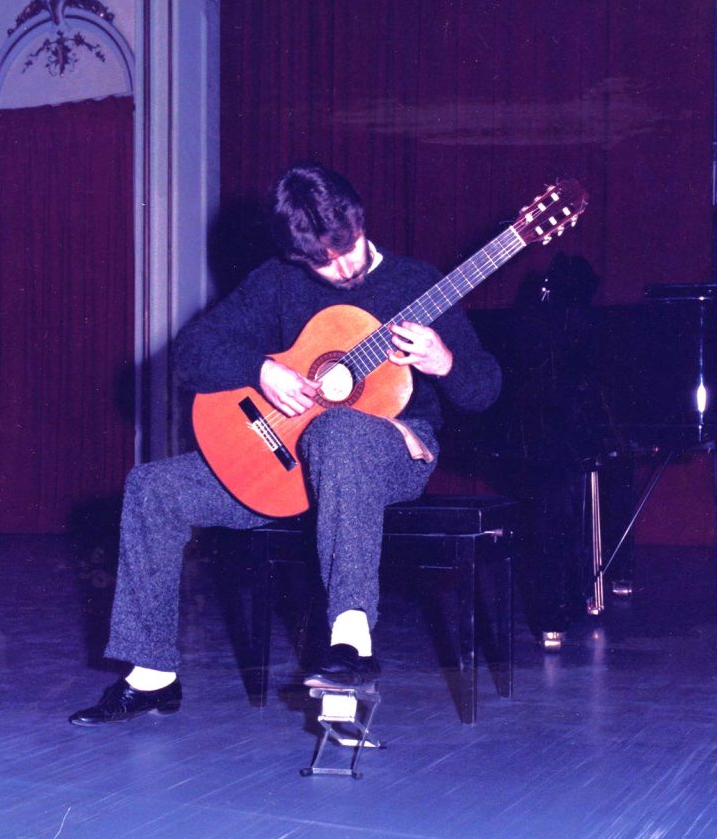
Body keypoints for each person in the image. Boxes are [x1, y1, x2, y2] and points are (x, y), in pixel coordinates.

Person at [69, 164, 501, 725]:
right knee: (153, 488)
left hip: (395, 450)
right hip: (290, 457)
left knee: (339, 430)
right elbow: (192, 351)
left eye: (345, 247)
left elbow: (484, 390)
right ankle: (152, 676)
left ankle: (350, 646)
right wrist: (261, 368)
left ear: (359, 219)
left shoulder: (419, 285)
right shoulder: (276, 282)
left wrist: (443, 361)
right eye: (319, 261)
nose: (340, 268)